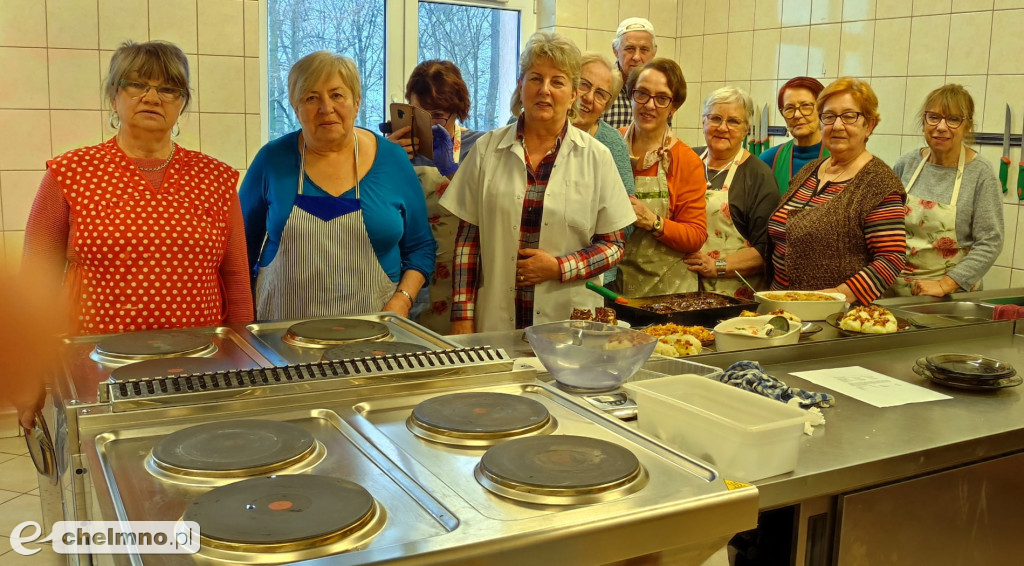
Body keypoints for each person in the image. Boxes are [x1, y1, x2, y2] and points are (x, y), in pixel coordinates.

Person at [22, 40, 253, 335]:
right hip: (95, 358)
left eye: (168, 89)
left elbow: (236, 281)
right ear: (113, 95)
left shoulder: (216, 178)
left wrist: (241, 355)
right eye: (136, 84)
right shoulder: (70, 173)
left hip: (199, 361)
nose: (152, 97)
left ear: (183, 102)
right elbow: (36, 281)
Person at [440, 32, 635, 333]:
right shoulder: (486, 150)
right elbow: (468, 242)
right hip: (495, 319)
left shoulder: (597, 157)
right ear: (521, 85)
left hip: (569, 323)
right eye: (535, 78)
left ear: (572, 95)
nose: (545, 90)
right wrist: (462, 316)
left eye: (557, 81)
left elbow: (614, 246)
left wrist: (559, 267)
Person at [241, 51, 435, 320]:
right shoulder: (272, 160)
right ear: (296, 108)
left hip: (375, 330)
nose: (326, 108)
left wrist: (402, 301)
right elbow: (238, 252)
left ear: (356, 103)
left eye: (337, 95)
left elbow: (421, 248)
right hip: (280, 333)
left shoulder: (393, 161)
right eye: (311, 98)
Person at [768, 77, 907, 305]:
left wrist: (836, 296)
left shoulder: (878, 183)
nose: (838, 126)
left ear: (869, 125)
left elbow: (891, 258)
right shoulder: (810, 171)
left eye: (849, 116)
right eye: (829, 116)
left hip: (834, 316)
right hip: (783, 306)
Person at [386, 60, 485, 333]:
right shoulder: (393, 148)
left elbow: (492, 212)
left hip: (463, 279)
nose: (428, 125)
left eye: (438, 115)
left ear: (459, 111)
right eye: (420, 114)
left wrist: (452, 171)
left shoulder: (482, 147)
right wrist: (384, 162)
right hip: (408, 278)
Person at [891, 84, 1003, 297]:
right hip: (893, 292)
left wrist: (944, 285)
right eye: (933, 117)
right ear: (924, 121)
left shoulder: (981, 173)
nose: (941, 126)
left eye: (953, 119)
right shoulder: (906, 165)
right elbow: (883, 226)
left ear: (967, 126)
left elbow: (990, 242)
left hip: (949, 298)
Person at [615, 58, 708, 298]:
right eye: (642, 94)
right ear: (631, 95)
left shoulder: (685, 160)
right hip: (613, 286)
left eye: (662, 98)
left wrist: (653, 221)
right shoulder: (610, 146)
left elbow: (695, 236)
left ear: (673, 106)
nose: (649, 105)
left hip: (668, 293)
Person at [685, 87, 779, 298]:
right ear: (703, 122)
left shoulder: (758, 176)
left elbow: (767, 250)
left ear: (746, 129)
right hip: (681, 289)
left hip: (732, 298)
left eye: (734, 121)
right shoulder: (687, 161)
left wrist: (717, 265)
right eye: (715, 118)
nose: (722, 127)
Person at [572, 51, 635, 285]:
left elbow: (624, 219)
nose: (588, 98)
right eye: (583, 85)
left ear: (607, 105)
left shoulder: (611, 143)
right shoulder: (534, 127)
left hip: (595, 276)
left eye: (600, 94)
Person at [759, 77, 830, 194]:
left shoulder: (841, 158)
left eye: (806, 106)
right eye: (789, 108)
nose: (797, 115)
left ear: (822, 109)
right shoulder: (769, 160)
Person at [604, 17, 658, 129]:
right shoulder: (602, 86)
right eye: (630, 49)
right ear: (615, 50)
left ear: (654, 52)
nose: (636, 57)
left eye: (644, 49)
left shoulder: (660, 93)